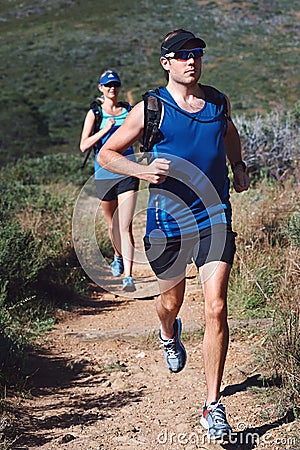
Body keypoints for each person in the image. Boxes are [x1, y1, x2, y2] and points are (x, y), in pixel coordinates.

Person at [97, 30, 250, 440]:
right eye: (182, 55)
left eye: (196, 54)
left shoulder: (217, 101)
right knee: (171, 301)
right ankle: (169, 331)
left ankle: (212, 405)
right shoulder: (151, 108)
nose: (191, 61)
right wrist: (142, 171)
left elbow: (229, 133)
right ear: (166, 62)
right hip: (167, 223)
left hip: (213, 216)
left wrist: (238, 166)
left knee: (216, 307)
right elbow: (106, 154)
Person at [80, 70, 139, 292]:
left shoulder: (129, 111)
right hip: (104, 173)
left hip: (128, 172)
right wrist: (104, 130)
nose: (112, 89)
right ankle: (118, 255)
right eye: (108, 85)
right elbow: (84, 145)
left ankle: (129, 276)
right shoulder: (94, 113)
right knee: (113, 224)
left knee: (126, 225)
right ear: (101, 88)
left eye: (115, 85)